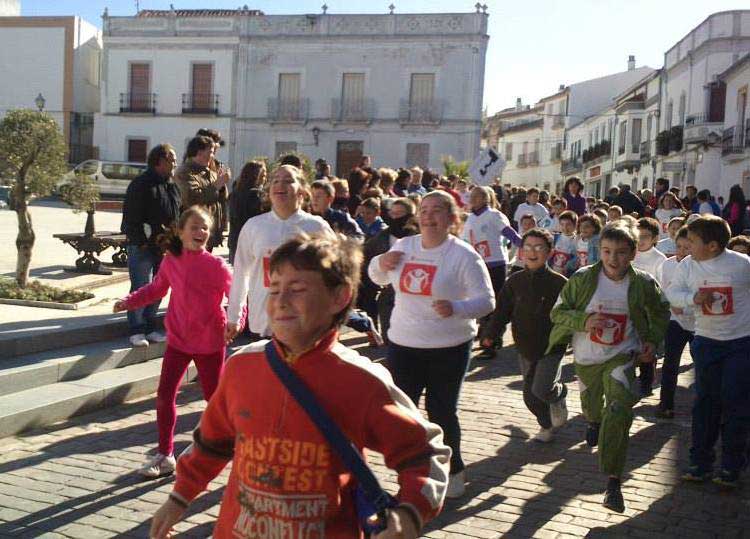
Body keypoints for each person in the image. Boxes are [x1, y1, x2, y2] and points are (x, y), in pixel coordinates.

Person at [149, 233, 450, 539]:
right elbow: (211, 443)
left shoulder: (362, 381)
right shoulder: (241, 366)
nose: (280, 301)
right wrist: (179, 498)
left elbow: (425, 454)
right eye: (274, 288)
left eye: (297, 289)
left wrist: (410, 512)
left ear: (339, 297)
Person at [368, 190, 495, 499]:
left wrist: (457, 307)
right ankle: (411, 470)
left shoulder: (463, 255)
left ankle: (454, 469)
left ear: (452, 219)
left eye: (437, 210)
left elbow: (487, 301)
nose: (428, 216)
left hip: (449, 346)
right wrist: (381, 262)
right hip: (403, 343)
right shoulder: (404, 246)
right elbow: (377, 278)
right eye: (424, 210)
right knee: (405, 412)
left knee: (441, 410)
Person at [548, 219, 670, 512]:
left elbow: (660, 310)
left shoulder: (642, 282)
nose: (613, 259)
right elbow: (557, 313)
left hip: (622, 356)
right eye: (606, 251)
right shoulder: (582, 278)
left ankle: (613, 482)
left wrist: (652, 341)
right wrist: (585, 321)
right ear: (599, 251)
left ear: (632, 254)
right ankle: (592, 419)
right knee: (592, 403)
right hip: (587, 357)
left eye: (620, 252)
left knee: (618, 410)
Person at [114, 207, 237, 478]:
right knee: (165, 395)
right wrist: (130, 301)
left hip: (210, 342)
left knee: (214, 400)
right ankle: (164, 454)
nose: (200, 232)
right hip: (179, 340)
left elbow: (237, 296)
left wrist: (236, 320)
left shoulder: (217, 266)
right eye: (194, 226)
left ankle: (229, 445)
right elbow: (157, 288)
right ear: (180, 232)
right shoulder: (171, 261)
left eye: (204, 227)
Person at [666, 216, 750, 488]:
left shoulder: (742, 265)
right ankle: (700, 463)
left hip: (740, 343)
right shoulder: (687, 266)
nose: (687, 246)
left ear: (713, 245)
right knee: (705, 403)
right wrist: (693, 299)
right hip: (706, 341)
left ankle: (731, 466)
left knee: (735, 404)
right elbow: (672, 294)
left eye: (692, 241)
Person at [227, 165, 333, 340]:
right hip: (264, 323)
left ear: (302, 191)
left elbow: (333, 275)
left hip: (304, 323)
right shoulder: (254, 226)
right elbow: (241, 273)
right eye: (275, 181)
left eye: (288, 181)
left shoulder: (317, 227)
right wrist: (234, 316)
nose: (279, 185)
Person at [486, 228, 569, 442]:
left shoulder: (560, 283)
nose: (532, 252)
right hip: (525, 346)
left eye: (539, 247)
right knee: (530, 396)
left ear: (549, 252)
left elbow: (571, 315)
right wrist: (491, 334)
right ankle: (546, 425)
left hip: (552, 347)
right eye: (528, 247)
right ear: (522, 251)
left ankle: (559, 394)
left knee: (542, 389)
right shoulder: (515, 281)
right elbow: (502, 310)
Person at [121, 143, 181, 347]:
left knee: (159, 288)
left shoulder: (171, 186)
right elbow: (131, 218)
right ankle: (136, 330)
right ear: (160, 161)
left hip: (165, 249)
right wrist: (143, 242)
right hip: (143, 248)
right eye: (172, 159)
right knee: (141, 286)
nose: (175, 163)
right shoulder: (140, 184)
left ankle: (149, 327)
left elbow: (177, 215)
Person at [462, 186, 522, 358]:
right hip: (478, 264)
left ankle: (492, 341)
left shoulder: (494, 215)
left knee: (496, 302)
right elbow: (465, 241)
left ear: (484, 198)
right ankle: (486, 333)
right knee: (480, 299)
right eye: (470, 196)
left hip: (495, 264)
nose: (471, 199)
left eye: (475, 196)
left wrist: (525, 245)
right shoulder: (470, 218)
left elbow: (509, 233)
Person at [362, 198, 419, 342]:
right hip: (388, 295)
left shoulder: (421, 237)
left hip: (415, 294)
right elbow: (365, 256)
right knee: (390, 338)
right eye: (392, 213)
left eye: (399, 213)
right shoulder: (382, 236)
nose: (394, 217)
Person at [655, 225, 694, 418]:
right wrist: (672, 305)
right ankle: (666, 404)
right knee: (670, 363)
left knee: (703, 366)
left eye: (687, 248)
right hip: (675, 320)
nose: (682, 252)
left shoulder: (701, 266)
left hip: (698, 324)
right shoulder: (668, 264)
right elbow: (663, 291)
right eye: (679, 246)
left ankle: (704, 406)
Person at [174, 136, 230, 250]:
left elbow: (221, 200)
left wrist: (222, 185)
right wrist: (217, 184)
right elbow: (193, 198)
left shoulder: (210, 172)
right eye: (210, 152)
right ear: (199, 152)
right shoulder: (185, 172)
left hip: (208, 232)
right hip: (193, 234)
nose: (212, 156)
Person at [228, 160, 266, 264]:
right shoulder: (256, 196)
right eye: (262, 176)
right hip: (251, 243)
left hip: (235, 241)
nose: (264, 179)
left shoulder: (235, 193)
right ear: (254, 176)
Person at [549, 211, 579, 277]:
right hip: (553, 273)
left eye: (568, 224)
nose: (565, 227)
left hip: (568, 275)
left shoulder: (578, 240)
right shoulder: (555, 238)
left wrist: (568, 266)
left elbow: (577, 258)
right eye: (562, 224)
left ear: (575, 225)